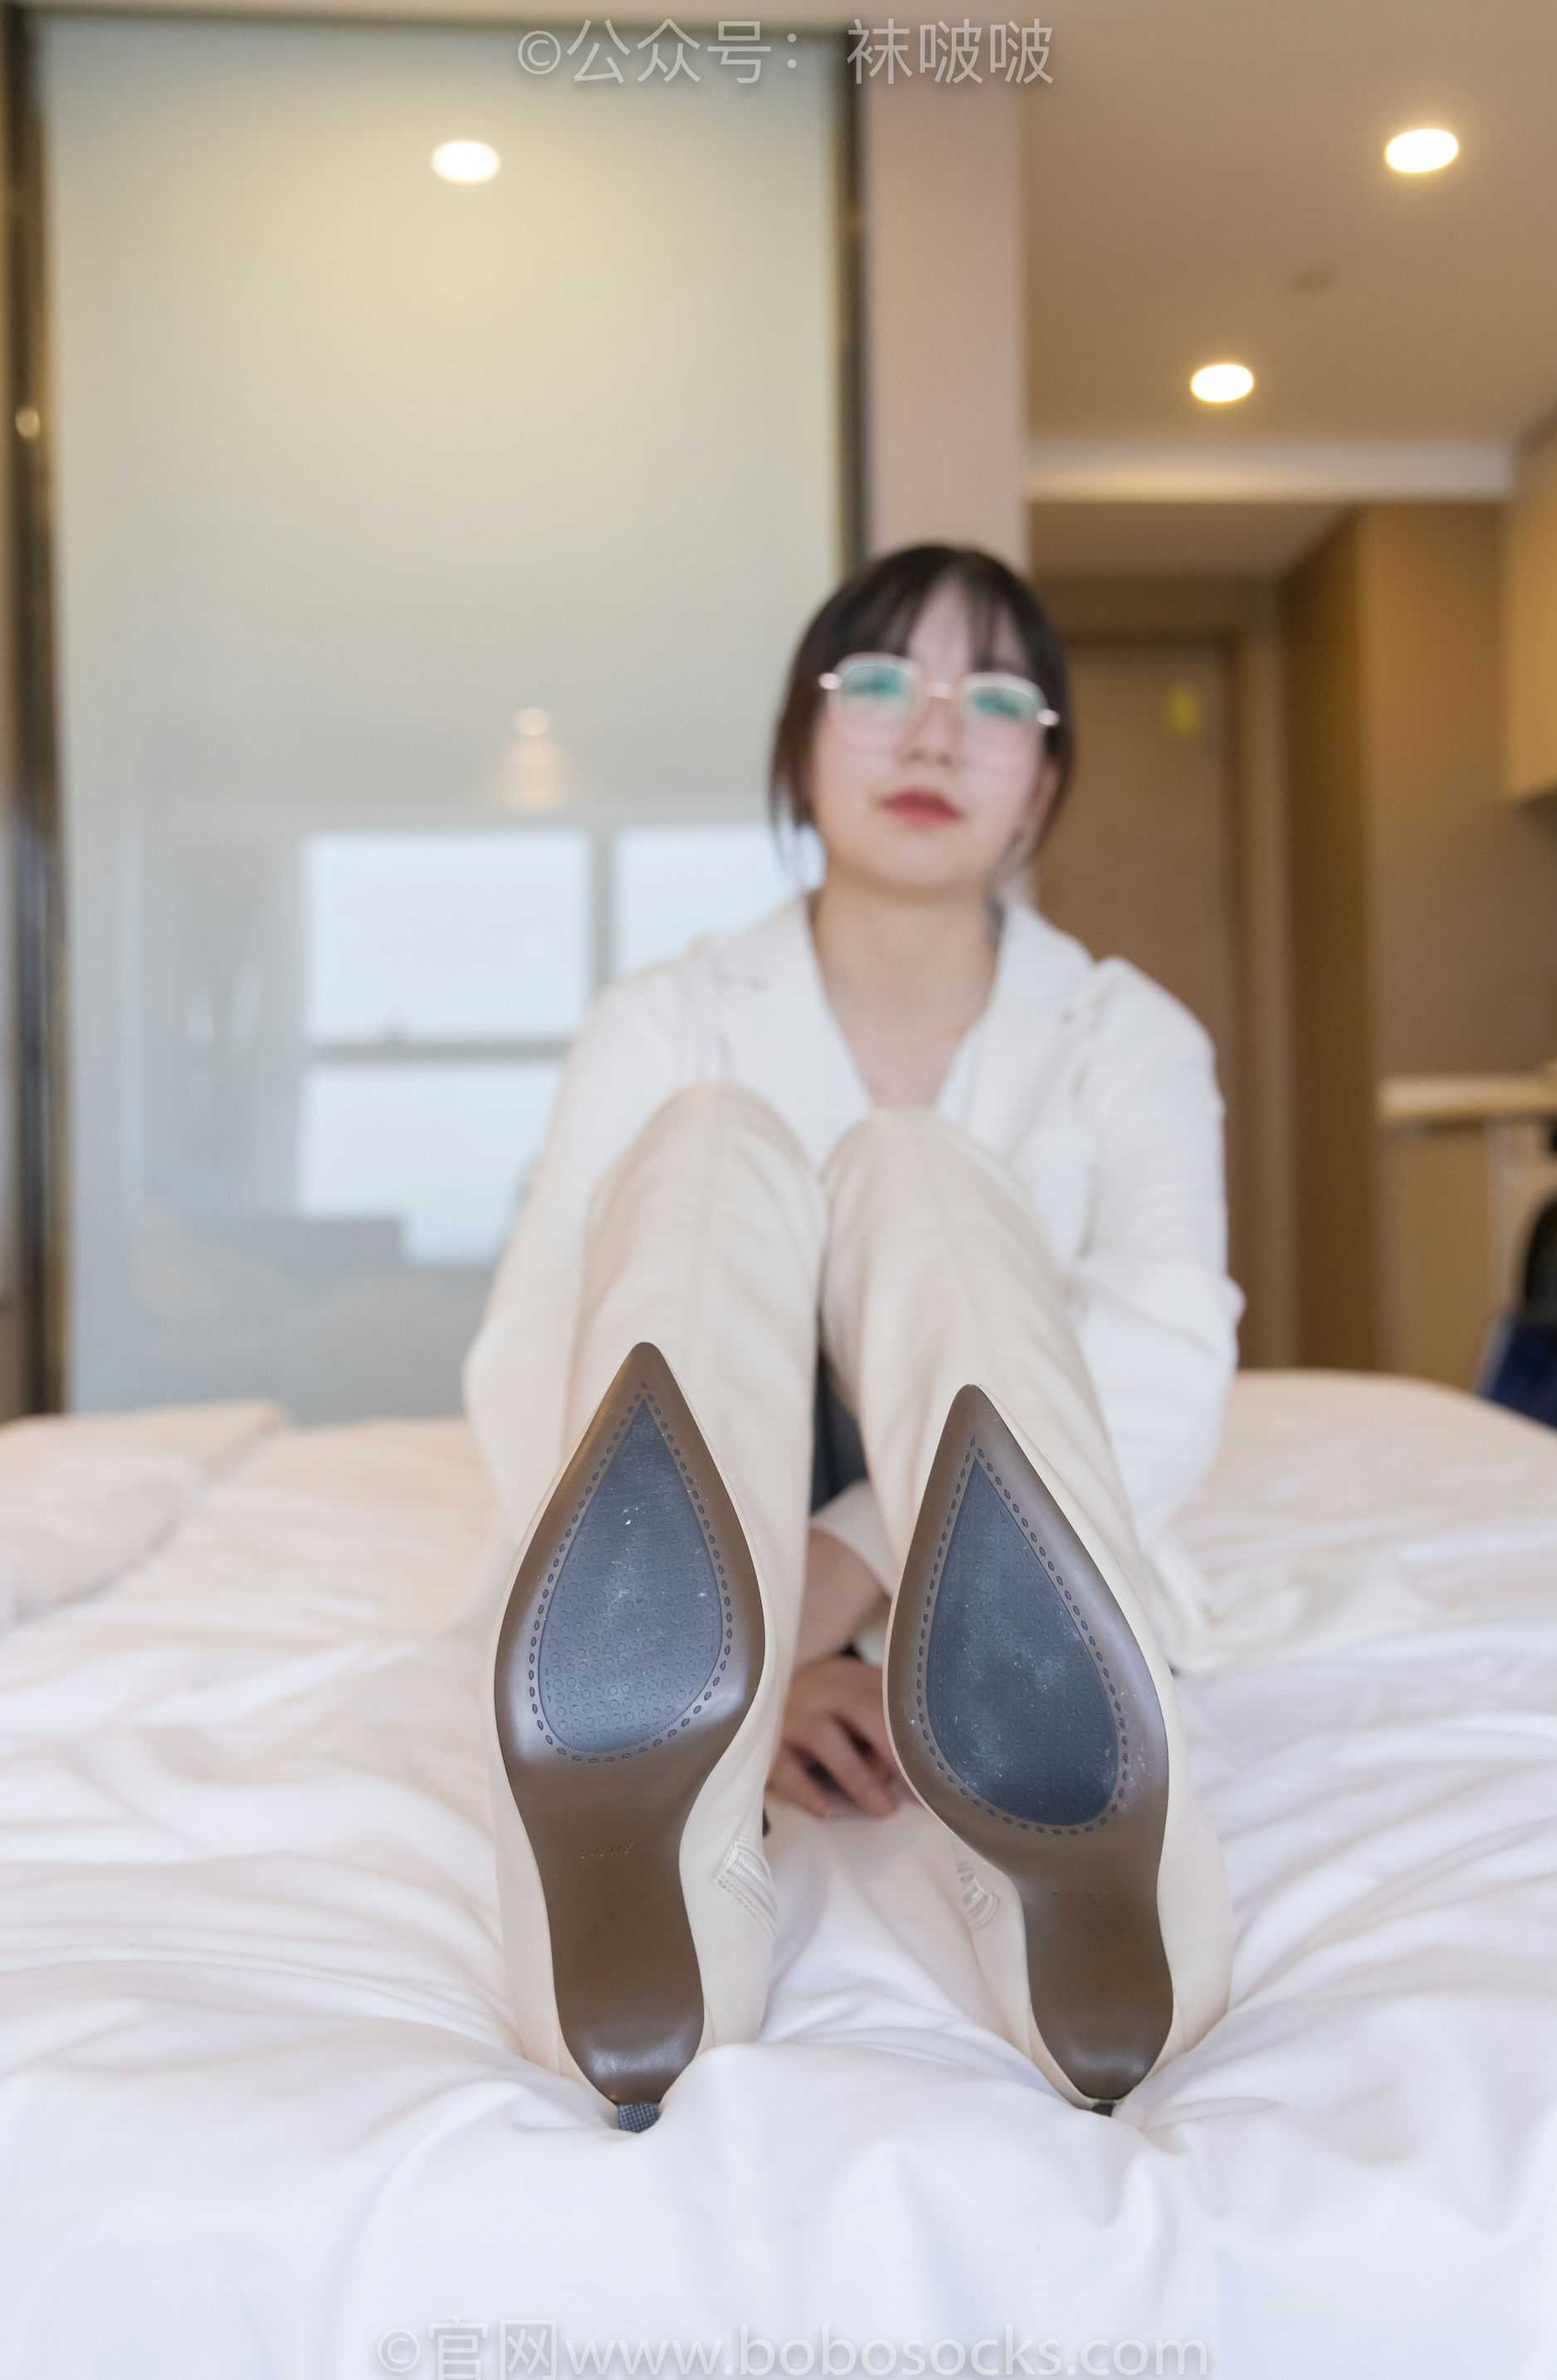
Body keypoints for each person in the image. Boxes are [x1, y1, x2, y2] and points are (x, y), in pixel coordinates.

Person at [464, 545, 1241, 2133]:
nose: (935, 730)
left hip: (951, 1534)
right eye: (881, 683)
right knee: (706, 1147)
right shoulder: (665, 1018)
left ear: (1042, 782)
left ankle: (876, 1714)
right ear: (802, 745)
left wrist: (824, 1589)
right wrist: (781, 1637)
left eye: (996, 699)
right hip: (703, 1504)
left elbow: (1167, 1353)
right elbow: (539, 1338)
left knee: (918, 1174)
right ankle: (660, 1684)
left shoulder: (1130, 1038)